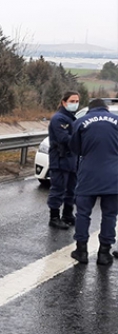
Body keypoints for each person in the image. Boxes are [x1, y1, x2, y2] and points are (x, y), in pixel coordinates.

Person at [68, 98, 118, 265]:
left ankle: (81, 250)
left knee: (83, 214)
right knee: (110, 215)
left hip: (88, 174)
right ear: (106, 108)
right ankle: (104, 253)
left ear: (90, 109)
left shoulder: (81, 122)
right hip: (114, 176)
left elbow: (74, 148)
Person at [46, 91, 80, 230]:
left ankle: (67, 214)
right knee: (58, 188)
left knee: (71, 188)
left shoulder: (72, 118)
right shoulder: (59, 118)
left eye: (77, 101)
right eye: (72, 101)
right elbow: (64, 138)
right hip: (60, 158)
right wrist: (82, 141)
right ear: (64, 102)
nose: (75, 104)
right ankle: (54, 217)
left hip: (72, 158)